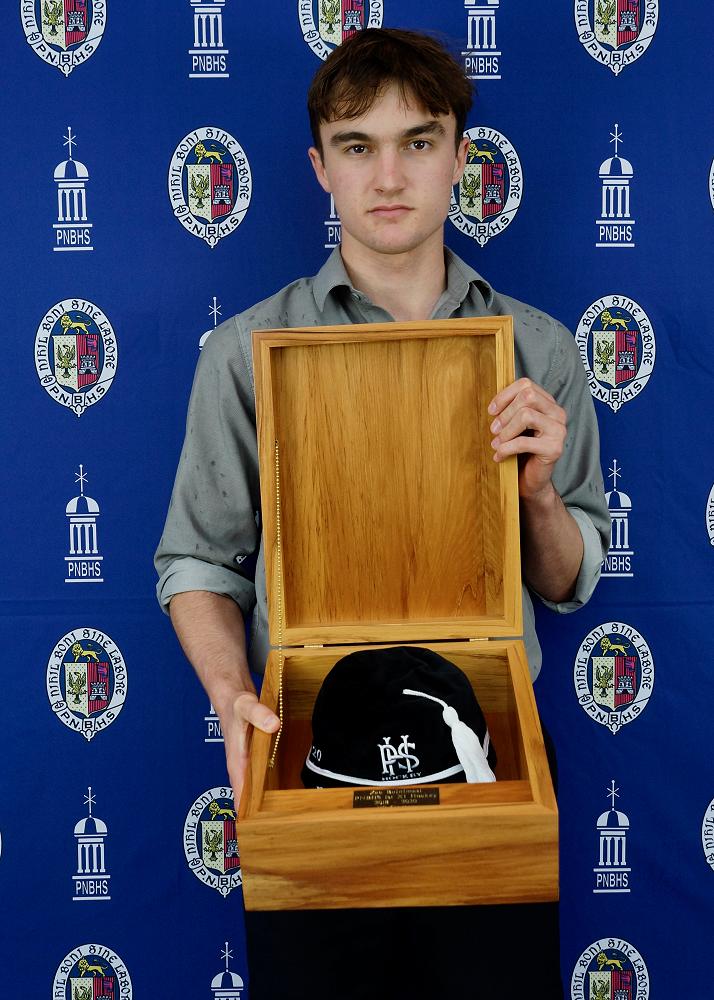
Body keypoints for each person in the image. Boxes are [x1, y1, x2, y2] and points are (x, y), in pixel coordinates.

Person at [155, 28, 609, 999]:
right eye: (358, 146)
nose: (390, 175)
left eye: (419, 141)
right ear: (321, 167)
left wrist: (537, 493)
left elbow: (566, 581)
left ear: (460, 159)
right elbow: (196, 561)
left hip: (488, 755)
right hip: (311, 756)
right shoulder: (244, 352)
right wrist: (233, 698)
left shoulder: (541, 349)